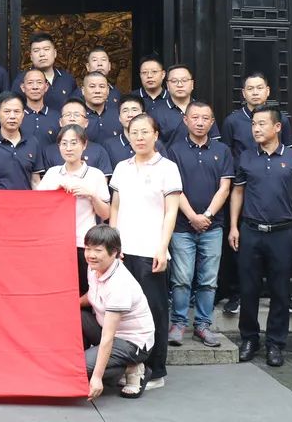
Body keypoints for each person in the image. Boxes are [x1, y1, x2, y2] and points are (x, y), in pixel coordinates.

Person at [229, 106, 292, 368]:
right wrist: (234, 226)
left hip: (283, 232)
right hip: (251, 231)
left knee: (280, 290)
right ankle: (249, 339)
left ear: (277, 127)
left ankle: (275, 344)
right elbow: (238, 192)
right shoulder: (246, 157)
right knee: (248, 289)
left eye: (262, 124)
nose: (256, 129)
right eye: (253, 124)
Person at [108, 113, 181, 390]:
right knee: (126, 312)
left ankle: (156, 370)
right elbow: (115, 207)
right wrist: (113, 244)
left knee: (154, 310)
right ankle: (131, 366)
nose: (139, 137)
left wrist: (162, 248)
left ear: (155, 135)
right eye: (134, 132)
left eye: (144, 132)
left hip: (151, 251)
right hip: (123, 251)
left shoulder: (168, 168)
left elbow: (171, 211)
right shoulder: (122, 167)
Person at [219, 71, 292, 316]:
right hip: (243, 185)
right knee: (239, 244)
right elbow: (227, 153)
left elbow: (288, 152)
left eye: (259, 88)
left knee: (281, 252)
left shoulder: (281, 119)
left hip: (275, 188)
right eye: (250, 89)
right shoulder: (232, 121)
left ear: (267, 91)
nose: (255, 92)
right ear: (243, 93)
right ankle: (236, 294)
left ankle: (284, 296)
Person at [166, 101, 234, 348]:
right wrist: (192, 216)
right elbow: (174, 189)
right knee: (181, 278)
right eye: (195, 117)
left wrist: (206, 215)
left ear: (212, 122)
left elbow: (225, 188)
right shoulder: (174, 151)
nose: (200, 122)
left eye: (205, 118)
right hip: (182, 227)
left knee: (208, 280)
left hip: (212, 227)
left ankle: (203, 325)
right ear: (185, 120)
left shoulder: (222, 150)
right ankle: (178, 323)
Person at [82, 225, 155, 400]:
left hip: (132, 342)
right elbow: (92, 296)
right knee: (74, 316)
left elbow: (108, 337)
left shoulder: (120, 285)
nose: (91, 254)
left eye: (98, 250)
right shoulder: (94, 267)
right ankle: (97, 361)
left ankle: (131, 368)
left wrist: (97, 378)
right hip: (108, 330)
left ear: (114, 252)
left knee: (79, 368)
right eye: (88, 248)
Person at [38, 124, 111, 295]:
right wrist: (53, 193)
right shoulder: (52, 174)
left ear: (84, 145)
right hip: (55, 243)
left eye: (73, 143)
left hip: (83, 244)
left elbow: (105, 214)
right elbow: (38, 209)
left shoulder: (95, 175)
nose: (68, 148)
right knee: (55, 290)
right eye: (64, 143)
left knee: (84, 290)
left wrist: (92, 195)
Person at [0, 91, 44, 191]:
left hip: (25, 200)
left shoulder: (32, 142)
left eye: (17, 111)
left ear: (23, 114)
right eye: (7, 111)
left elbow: (35, 181)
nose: (12, 116)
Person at [152, 64, 221, 146]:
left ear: (192, 84)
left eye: (184, 80)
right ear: (167, 85)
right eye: (174, 81)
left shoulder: (204, 110)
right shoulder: (156, 113)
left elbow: (214, 143)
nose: (180, 85)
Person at [40, 99, 114, 176]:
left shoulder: (99, 151)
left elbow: (102, 181)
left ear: (86, 123)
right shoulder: (49, 151)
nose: (72, 118)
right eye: (68, 115)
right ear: (60, 122)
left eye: (77, 115)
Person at [12, 33, 79, 109]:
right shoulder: (22, 80)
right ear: (31, 57)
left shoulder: (67, 79)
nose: (42, 54)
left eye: (46, 49)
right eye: (36, 50)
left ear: (55, 53)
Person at [102, 94, 165, 169]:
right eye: (125, 111)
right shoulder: (109, 145)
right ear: (119, 118)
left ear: (144, 115)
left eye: (134, 110)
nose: (130, 115)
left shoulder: (155, 143)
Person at [19, 68, 61, 147]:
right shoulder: (17, 116)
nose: (35, 87)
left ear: (46, 86)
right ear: (23, 87)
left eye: (39, 82)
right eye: (30, 83)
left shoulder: (57, 117)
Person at [81, 71, 122, 144]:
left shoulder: (119, 115)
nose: (97, 91)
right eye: (92, 86)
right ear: (83, 90)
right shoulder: (77, 117)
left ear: (108, 90)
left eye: (102, 86)